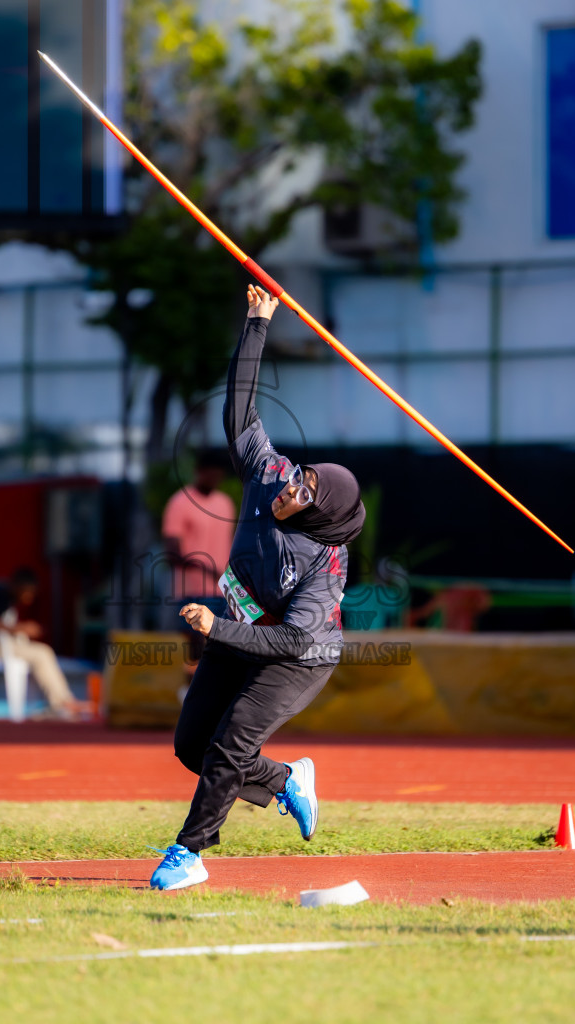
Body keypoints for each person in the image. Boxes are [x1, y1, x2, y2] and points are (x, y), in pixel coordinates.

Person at [150, 284, 366, 891]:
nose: (293, 486)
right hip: (241, 631)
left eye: (307, 491)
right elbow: (239, 412)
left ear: (323, 514)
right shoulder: (268, 472)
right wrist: (256, 321)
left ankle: (189, 853)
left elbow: (297, 635)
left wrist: (217, 627)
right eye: (303, 475)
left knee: (227, 744)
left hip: (298, 657)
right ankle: (287, 781)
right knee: (193, 746)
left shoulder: (327, 562)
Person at [0, 567, 88, 718]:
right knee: (42, 653)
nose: (30, 597)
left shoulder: (7, 599)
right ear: (17, 587)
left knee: (40, 653)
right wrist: (23, 628)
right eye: (28, 592)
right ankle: (62, 702)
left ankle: (57, 702)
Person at [161, 449, 235, 666]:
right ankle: (190, 695)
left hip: (222, 590)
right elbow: (172, 554)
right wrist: (205, 568)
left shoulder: (225, 503)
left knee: (218, 650)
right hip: (191, 591)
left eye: (218, 474)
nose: (215, 478)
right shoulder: (180, 502)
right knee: (195, 651)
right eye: (210, 473)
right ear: (199, 472)